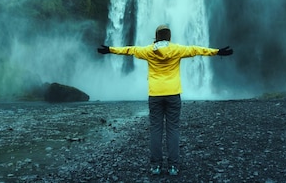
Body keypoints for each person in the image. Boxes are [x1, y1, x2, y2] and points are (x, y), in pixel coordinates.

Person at [97, 24, 233, 176]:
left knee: (156, 130)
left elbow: (129, 49)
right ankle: (173, 167)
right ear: (169, 37)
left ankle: (155, 166)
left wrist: (109, 49)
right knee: (173, 129)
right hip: (173, 93)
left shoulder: (148, 50)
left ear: (156, 37)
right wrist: (218, 52)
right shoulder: (177, 49)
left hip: (155, 94)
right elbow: (196, 50)